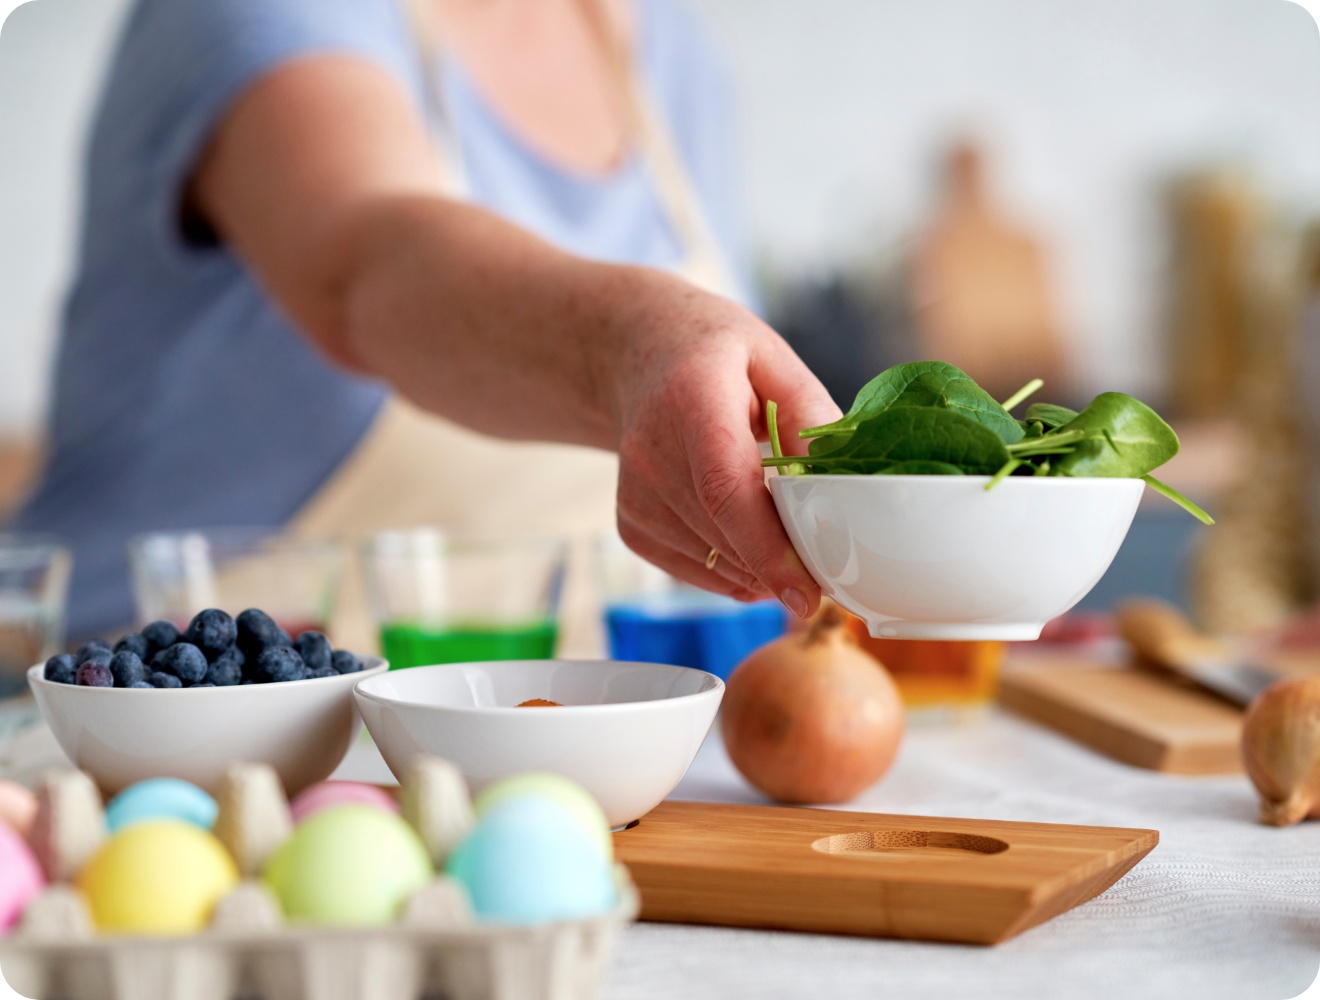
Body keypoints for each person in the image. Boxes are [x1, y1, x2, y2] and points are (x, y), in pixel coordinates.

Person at [7, 0, 838, 642]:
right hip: (152, 734)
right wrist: (627, 349)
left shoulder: (667, 46)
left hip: (539, 745)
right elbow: (369, 268)